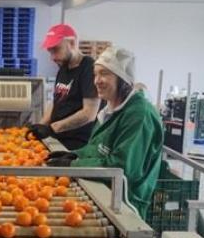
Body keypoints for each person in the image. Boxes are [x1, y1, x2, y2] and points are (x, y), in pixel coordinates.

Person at [46, 47, 164, 219]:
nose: (97, 81)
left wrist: (73, 166)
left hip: (125, 203)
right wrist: (73, 155)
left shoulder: (139, 115)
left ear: (123, 79)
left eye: (104, 74)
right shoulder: (109, 108)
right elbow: (97, 148)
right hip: (101, 191)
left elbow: (123, 167)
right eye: (95, 74)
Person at [27, 24, 100, 149]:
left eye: (56, 50)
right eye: (50, 52)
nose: (52, 57)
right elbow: (57, 101)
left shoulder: (89, 69)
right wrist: (41, 126)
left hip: (79, 146)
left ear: (71, 43)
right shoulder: (63, 68)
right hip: (60, 140)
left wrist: (52, 128)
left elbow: (89, 114)